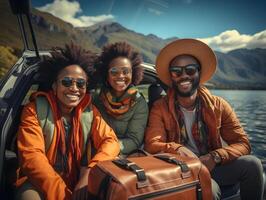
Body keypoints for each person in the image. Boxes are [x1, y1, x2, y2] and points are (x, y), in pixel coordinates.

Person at [144, 38, 264, 200]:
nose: (184, 76)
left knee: (253, 165)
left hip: (212, 165)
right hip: (180, 169)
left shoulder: (219, 105)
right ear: (172, 76)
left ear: (199, 73)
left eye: (191, 70)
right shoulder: (160, 107)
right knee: (209, 189)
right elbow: (152, 144)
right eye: (177, 71)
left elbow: (243, 144)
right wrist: (177, 149)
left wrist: (215, 156)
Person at [15, 43, 120, 200]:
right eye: (67, 82)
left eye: (80, 83)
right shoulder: (34, 110)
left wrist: (90, 173)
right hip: (39, 182)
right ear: (54, 86)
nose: (74, 88)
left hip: (77, 180)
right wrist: (64, 195)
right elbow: (32, 156)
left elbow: (110, 141)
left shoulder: (89, 112)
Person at [93, 42, 148, 155]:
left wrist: (108, 148)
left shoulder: (139, 103)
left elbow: (134, 140)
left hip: (120, 156)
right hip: (93, 151)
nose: (121, 76)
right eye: (114, 71)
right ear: (106, 74)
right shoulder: (96, 98)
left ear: (133, 74)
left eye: (126, 71)